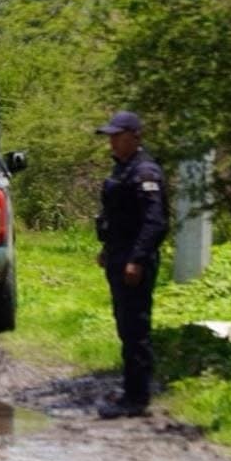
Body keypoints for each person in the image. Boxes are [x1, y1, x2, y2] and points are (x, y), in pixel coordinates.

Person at [94, 111, 168, 419]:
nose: (111, 141)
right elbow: (119, 217)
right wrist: (108, 249)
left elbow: (155, 222)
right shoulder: (123, 169)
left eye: (117, 135)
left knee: (136, 328)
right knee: (125, 326)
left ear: (134, 136)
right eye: (109, 136)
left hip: (133, 261)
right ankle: (131, 388)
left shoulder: (145, 172)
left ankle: (137, 399)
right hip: (119, 256)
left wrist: (136, 259)